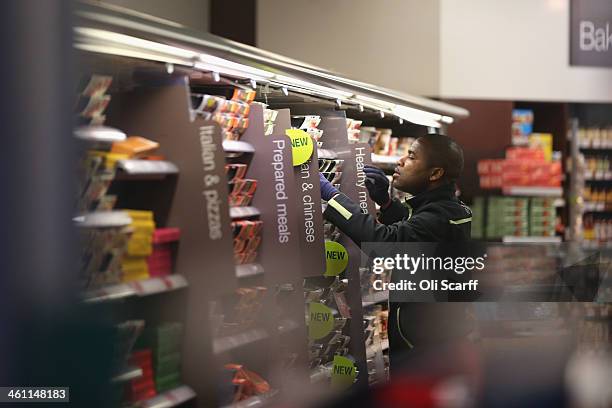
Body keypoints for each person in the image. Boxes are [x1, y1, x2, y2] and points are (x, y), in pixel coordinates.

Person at [319, 133, 473, 368]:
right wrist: (387, 203)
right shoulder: (450, 209)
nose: (400, 161)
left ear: (435, 173)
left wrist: (332, 195)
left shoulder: (438, 216)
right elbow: (414, 234)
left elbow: (383, 242)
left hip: (424, 350)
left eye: (411, 157)